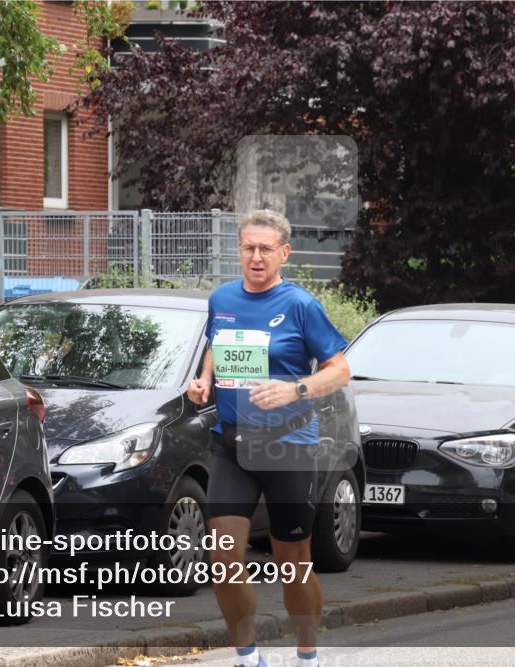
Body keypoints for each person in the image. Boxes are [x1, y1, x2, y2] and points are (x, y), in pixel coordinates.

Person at [187, 209, 350, 667]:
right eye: (248, 248)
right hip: (232, 443)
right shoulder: (221, 298)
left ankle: (307, 654)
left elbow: (339, 370)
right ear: (238, 250)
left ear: (283, 253)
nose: (256, 257)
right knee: (222, 557)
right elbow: (217, 345)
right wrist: (202, 381)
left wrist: (296, 388)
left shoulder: (300, 305)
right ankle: (246, 656)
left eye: (265, 249)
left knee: (292, 559)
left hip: (288, 444)